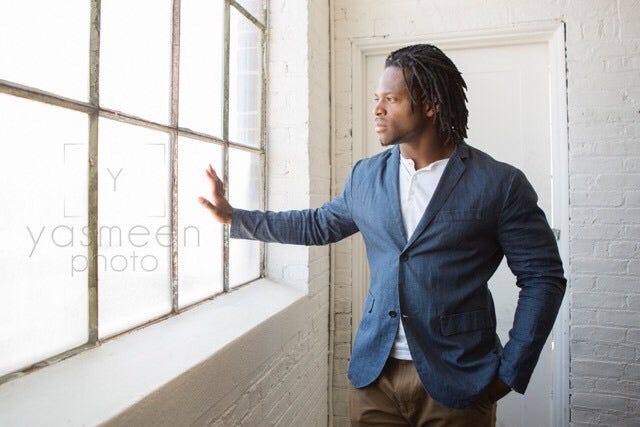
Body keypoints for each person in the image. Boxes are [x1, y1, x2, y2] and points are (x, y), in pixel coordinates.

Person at [198, 44, 566, 427]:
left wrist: (511, 369)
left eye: (391, 99)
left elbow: (543, 277)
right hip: (375, 378)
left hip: (460, 377)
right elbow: (317, 224)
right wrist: (235, 218)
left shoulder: (499, 184)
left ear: (431, 105)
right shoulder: (366, 176)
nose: (377, 110)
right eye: (377, 99)